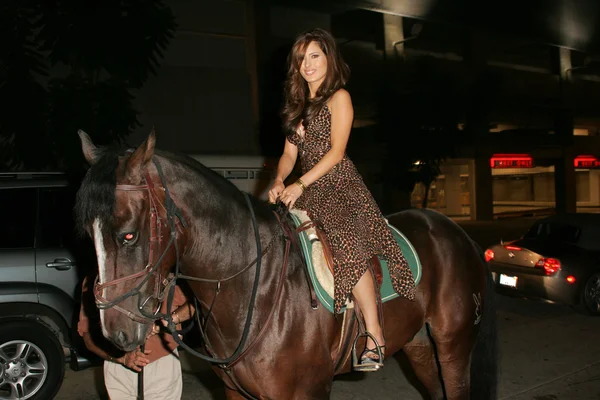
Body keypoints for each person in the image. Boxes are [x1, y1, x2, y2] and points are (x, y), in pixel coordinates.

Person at [268, 28, 416, 371]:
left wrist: (300, 184)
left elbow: (336, 152)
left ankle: (375, 336)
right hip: (304, 186)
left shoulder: (339, 97)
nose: (308, 64)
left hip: (338, 186)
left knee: (347, 242)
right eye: (302, 58)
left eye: (315, 56)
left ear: (329, 59)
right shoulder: (296, 106)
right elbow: (289, 154)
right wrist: (279, 179)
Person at [77, 275, 195, 399]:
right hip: (117, 367)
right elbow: (87, 336)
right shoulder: (97, 279)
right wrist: (121, 358)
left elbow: (197, 303)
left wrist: (165, 322)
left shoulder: (164, 270)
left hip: (161, 364)